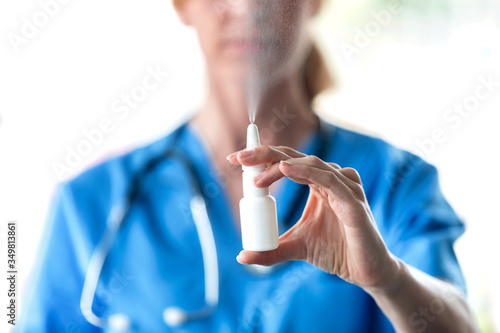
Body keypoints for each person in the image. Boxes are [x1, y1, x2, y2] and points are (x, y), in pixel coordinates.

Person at [17, 0, 478, 332]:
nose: (246, 7)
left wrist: (389, 280)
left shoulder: (393, 185)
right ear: (182, 5)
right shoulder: (93, 202)